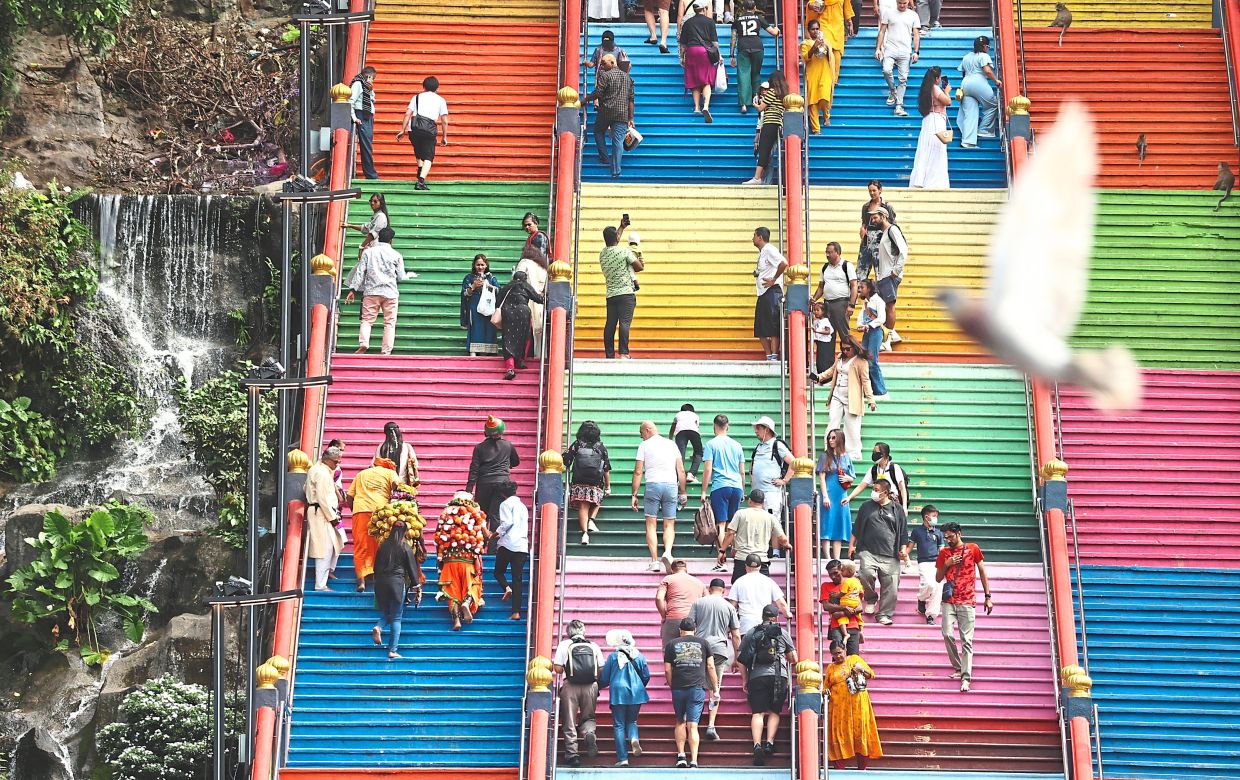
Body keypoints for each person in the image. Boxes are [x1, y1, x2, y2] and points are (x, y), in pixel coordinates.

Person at [936, 521, 993, 692]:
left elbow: (982, 571)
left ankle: (966, 677)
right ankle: (959, 666)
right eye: (945, 537)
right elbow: (938, 578)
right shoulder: (944, 553)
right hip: (949, 600)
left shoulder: (973, 548)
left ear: (959, 533)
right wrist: (947, 564)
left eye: (951, 536)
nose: (948, 540)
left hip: (968, 600)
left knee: (967, 640)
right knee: (946, 633)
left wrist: (988, 596)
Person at [737, 604, 797, 765]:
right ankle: (769, 743)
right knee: (774, 711)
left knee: (758, 713)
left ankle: (756, 745)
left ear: (762, 616)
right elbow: (794, 659)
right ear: (776, 617)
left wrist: (745, 679)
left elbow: (741, 658)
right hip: (779, 676)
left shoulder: (752, 632)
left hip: (757, 676)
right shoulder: (782, 633)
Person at [849, 477, 909, 625]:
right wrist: (852, 545)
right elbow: (857, 527)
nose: (873, 493)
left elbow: (903, 532)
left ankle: (884, 614)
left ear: (886, 493)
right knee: (865, 573)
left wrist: (903, 550)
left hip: (890, 553)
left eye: (876, 491)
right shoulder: (866, 506)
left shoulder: (897, 509)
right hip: (868, 550)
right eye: (873, 489)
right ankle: (871, 598)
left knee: (891, 585)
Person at [688, 577, 742, 741]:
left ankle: (693, 724)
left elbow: (689, 626)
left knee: (695, 684)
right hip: (719, 649)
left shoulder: (698, 603)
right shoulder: (729, 607)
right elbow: (736, 635)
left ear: (709, 588)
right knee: (715, 687)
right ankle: (711, 725)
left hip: (699, 647)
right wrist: (737, 658)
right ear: (723, 591)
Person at [344, 227, 412, 356]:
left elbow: (360, 272)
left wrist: (353, 289)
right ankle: (386, 351)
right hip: (390, 293)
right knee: (389, 323)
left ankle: (363, 343)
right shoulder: (396, 255)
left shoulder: (368, 253)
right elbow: (401, 277)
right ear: (391, 240)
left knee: (367, 320)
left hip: (371, 291)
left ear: (378, 238)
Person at [631, 420, 688, 572]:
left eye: (641, 433)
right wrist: (683, 492)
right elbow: (681, 470)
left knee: (651, 524)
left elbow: (638, 471)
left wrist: (634, 494)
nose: (641, 437)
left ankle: (655, 561)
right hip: (670, 486)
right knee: (669, 524)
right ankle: (668, 553)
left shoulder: (644, 445)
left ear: (648, 430)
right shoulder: (671, 444)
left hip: (653, 485)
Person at [663, 617, 719, 769]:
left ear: (680, 630)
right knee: (693, 726)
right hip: (697, 688)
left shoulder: (671, 644)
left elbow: (668, 669)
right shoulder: (704, 643)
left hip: (678, 688)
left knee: (680, 721)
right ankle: (694, 760)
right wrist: (715, 688)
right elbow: (711, 667)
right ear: (694, 630)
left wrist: (671, 684)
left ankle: (681, 756)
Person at [554, 620, 606, 767]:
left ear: (568, 632)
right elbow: (601, 668)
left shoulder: (564, 645)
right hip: (590, 686)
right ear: (583, 631)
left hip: (570, 686)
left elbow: (557, 668)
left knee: (569, 720)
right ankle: (589, 733)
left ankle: (572, 755)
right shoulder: (593, 646)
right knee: (588, 716)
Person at [814, 337, 875, 461]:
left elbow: (866, 381)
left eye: (848, 349)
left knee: (852, 426)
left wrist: (871, 399)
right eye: (843, 348)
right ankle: (829, 449)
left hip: (851, 398)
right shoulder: (841, 357)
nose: (845, 351)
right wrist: (819, 377)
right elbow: (832, 371)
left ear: (854, 348)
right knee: (832, 422)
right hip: (837, 394)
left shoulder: (861, 361)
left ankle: (853, 452)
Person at [825, 641, 882, 769]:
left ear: (845, 650)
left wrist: (861, 669)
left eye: (839, 653)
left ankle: (862, 769)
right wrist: (825, 691)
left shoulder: (855, 659)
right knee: (839, 735)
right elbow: (825, 686)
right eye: (835, 654)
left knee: (860, 732)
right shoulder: (830, 667)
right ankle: (839, 770)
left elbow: (871, 675)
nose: (838, 656)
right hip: (838, 708)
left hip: (858, 705)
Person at [436, 492, 489, 630]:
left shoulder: (446, 513)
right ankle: (467, 602)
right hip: (468, 559)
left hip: (450, 559)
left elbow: (438, 539)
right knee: (473, 584)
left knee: (453, 592)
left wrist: (440, 560)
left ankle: (457, 621)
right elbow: (483, 535)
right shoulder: (475, 513)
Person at [346, 456, 400, 591]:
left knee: (360, 545)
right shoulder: (390, 473)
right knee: (379, 543)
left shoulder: (361, 474)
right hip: (380, 511)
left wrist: (354, 510)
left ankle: (361, 581)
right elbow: (398, 487)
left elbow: (349, 496)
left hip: (360, 510)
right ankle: (377, 574)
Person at [599, 629, 651, 767]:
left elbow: (604, 678)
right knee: (632, 721)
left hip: (618, 692)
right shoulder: (639, 656)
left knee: (619, 724)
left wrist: (596, 686)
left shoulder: (613, 657)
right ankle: (634, 738)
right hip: (636, 692)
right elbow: (646, 676)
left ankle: (623, 759)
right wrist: (639, 686)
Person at [371, 520, 420, 659]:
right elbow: (411, 568)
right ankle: (392, 650)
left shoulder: (383, 546)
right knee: (396, 617)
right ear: (405, 532)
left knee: (388, 612)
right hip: (397, 583)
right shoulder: (405, 547)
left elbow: (375, 567)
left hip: (380, 583)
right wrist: (417, 585)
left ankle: (378, 627)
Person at [701, 414, 747, 560]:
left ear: (714, 426)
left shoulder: (711, 444)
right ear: (728, 426)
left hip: (720, 486)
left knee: (721, 525)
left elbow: (708, 469)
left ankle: (722, 560)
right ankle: (735, 556)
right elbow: (742, 471)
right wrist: (743, 490)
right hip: (736, 487)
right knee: (731, 525)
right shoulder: (737, 445)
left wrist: (703, 491)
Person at [718, 490, 790, 583]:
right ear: (763, 502)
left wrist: (722, 550)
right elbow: (782, 538)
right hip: (762, 560)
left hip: (742, 559)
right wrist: (787, 545)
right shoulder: (770, 517)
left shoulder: (740, 513)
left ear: (750, 501)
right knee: (763, 590)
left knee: (739, 589)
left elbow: (730, 532)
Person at [466, 415, 521, 531]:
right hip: (502, 484)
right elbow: (516, 462)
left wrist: (469, 490)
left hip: (483, 485)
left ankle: (480, 546)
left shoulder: (479, 448)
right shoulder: (508, 445)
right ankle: (493, 548)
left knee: (481, 516)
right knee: (496, 516)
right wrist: (508, 464)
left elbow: (474, 469)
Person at [585, 54, 636, 178]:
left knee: (598, 132)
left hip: (606, 111)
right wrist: (631, 118)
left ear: (612, 63)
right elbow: (631, 100)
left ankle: (604, 157)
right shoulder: (628, 78)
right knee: (618, 140)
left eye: (604, 63)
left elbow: (597, 92)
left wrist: (584, 101)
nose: (602, 66)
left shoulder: (605, 76)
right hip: (622, 114)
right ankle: (616, 170)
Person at [598, 222, 643, 359]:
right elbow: (639, 267)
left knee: (610, 324)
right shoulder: (624, 252)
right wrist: (639, 256)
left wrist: (622, 227)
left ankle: (609, 355)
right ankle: (624, 353)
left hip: (611, 295)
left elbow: (614, 239)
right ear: (617, 238)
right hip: (625, 294)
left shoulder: (603, 254)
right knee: (624, 323)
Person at [395, 76, 448, 191]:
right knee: (429, 156)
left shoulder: (416, 97)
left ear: (424, 86)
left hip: (414, 128)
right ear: (437, 88)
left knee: (419, 151)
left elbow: (407, 114)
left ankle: (420, 168)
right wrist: (444, 136)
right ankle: (421, 181)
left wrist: (402, 130)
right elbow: (444, 120)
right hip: (429, 129)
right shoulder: (441, 100)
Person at [564, 420, 612, 546]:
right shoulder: (601, 447)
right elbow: (606, 468)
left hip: (579, 480)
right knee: (599, 498)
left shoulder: (578, 444)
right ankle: (591, 520)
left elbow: (566, 461)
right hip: (596, 482)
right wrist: (608, 486)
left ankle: (585, 534)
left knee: (583, 506)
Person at [730, 0, 780, 113]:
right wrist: (777, 30)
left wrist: (731, 55)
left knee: (743, 75)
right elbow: (773, 32)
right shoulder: (759, 18)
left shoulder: (737, 20)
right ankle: (756, 98)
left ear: (743, 8)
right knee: (756, 73)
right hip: (757, 47)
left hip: (743, 48)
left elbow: (733, 38)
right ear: (755, 7)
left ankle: (744, 104)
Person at [305, 446, 343, 591]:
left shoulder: (320, 470)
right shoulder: (321, 472)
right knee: (324, 549)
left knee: (332, 545)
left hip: (321, 511)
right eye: (335, 462)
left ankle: (323, 580)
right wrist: (332, 517)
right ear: (327, 459)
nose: (337, 464)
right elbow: (322, 498)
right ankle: (320, 585)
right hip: (321, 512)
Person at [495, 270, 546, 380]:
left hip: (508, 312)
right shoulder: (525, 285)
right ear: (525, 278)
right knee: (524, 337)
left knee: (508, 339)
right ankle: (520, 361)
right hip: (523, 312)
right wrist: (545, 294)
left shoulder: (507, 287)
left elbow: (498, 301)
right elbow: (539, 299)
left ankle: (510, 368)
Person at [810, 240, 857, 356]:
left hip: (841, 303)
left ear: (838, 252)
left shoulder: (847, 266)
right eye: (826, 252)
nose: (827, 255)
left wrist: (851, 305)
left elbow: (854, 286)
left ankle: (849, 358)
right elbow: (821, 287)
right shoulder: (825, 267)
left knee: (844, 334)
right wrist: (814, 299)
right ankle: (828, 363)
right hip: (827, 305)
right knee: (828, 334)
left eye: (830, 252)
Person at [875, 0, 920, 117]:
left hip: (905, 50)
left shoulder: (913, 15)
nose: (902, 5)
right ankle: (893, 91)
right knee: (886, 70)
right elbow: (882, 31)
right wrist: (878, 48)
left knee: (903, 79)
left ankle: (899, 105)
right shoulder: (889, 13)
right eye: (900, 3)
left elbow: (916, 34)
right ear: (896, 2)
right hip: (890, 48)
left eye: (904, 3)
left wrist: (916, 52)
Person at [909, 67, 951, 189]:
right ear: (937, 78)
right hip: (936, 121)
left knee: (925, 150)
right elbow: (948, 101)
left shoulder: (926, 89)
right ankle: (934, 181)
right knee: (937, 150)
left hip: (928, 120)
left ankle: (921, 179)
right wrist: (947, 91)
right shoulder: (935, 88)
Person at [742, 71, 788, 186]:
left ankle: (757, 177)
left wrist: (755, 104)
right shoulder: (784, 94)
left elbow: (761, 108)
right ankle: (761, 178)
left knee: (763, 150)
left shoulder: (772, 92)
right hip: (778, 124)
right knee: (768, 151)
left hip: (769, 123)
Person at [493, 480, 529, 621]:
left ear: (502, 494)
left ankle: (506, 588)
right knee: (517, 579)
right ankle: (516, 612)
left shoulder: (505, 504)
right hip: (522, 545)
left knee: (498, 571)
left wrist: (495, 534)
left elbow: (507, 523)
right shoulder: (522, 506)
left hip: (508, 543)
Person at [817, 428, 856, 559]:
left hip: (841, 494)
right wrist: (825, 496)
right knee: (827, 523)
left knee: (839, 524)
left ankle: (837, 559)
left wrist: (848, 478)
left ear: (840, 439)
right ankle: (827, 558)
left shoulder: (846, 457)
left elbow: (852, 476)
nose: (830, 440)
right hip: (828, 493)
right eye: (829, 438)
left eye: (833, 438)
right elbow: (821, 477)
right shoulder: (825, 456)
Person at [957, 36, 1001, 148]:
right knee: (993, 104)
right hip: (978, 82)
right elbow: (986, 70)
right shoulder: (983, 56)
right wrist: (996, 80)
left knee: (970, 113)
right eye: (988, 47)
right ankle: (984, 130)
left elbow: (963, 71)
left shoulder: (966, 56)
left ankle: (967, 142)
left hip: (965, 83)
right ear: (985, 46)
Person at [729, 552, 790, 632]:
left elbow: (732, 607)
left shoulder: (738, 582)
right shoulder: (769, 581)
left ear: (746, 566)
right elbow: (781, 603)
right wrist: (787, 614)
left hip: (746, 625)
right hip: (765, 623)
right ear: (760, 566)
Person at [752, 227, 788, 361]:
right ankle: (768, 355)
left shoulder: (769, 249)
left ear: (760, 237)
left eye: (754, 236)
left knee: (773, 325)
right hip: (763, 293)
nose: (753, 239)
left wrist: (773, 279)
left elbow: (783, 264)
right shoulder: (762, 252)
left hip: (772, 292)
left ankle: (774, 355)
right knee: (760, 326)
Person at [870, 204, 907, 336]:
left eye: (875, 218)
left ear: (884, 216)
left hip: (890, 275)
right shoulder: (884, 234)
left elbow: (903, 250)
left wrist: (896, 270)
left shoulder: (892, 230)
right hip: (883, 276)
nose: (873, 221)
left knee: (889, 305)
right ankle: (889, 334)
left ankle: (889, 336)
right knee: (883, 306)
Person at [680, 0, 719, 122]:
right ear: (705, 9)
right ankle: (706, 106)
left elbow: (682, 43)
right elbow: (714, 43)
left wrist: (682, 57)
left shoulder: (688, 23)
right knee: (706, 80)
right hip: (705, 52)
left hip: (691, 51)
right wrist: (719, 55)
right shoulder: (710, 22)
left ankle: (696, 107)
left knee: (694, 79)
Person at [518, 213, 550, 357]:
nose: (527, 227)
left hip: (537, 280)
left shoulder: (539, 237)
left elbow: (541, 258)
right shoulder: (531, 238)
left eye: (529, 224)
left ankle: (537, 353)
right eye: (525, 225)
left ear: (536, 223)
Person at [907, 504, 945, 624]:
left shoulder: (938, 533)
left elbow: (942, 550)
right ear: (926, 517)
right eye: (934, 516)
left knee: (938, 588)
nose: (936, 519)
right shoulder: (917, 531)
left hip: (937, 563)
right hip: (923, 562)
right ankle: (921, 599)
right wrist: (903, 553)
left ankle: (931, 616)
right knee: (929, 584)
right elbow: (909, 548)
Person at [845, 441, 909, 511]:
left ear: (884, 454)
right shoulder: (874, 469)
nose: (874, 454)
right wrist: (849, 498)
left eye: (876, 452)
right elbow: (861, 486)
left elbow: (902, 488)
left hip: (892, 504)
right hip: (878, 503)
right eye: (873, 452)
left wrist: (904, 507)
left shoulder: (894, 468)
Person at [750, 416, 794, 515]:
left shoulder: (777, 445)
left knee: (771, 522)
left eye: (758, 428)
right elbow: (752, 465)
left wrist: (784, 480)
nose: (756, 431)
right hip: (756, 493)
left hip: (771, 494)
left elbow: (793, 463)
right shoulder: (758, 447)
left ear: (766, 429)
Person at [656, 559, 708, 644]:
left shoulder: (668, 579)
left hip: (673, 618)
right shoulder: (699, 582)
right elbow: (707, 601)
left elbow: (659, 598)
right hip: (692, 621)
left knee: (669, 650)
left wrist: (663, 616)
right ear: (686, 570)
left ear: (672, 570)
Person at [853, 278, 888, 398]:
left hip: (876, 332)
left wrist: (869, 325)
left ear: (869, 289)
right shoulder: (866, 303)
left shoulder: (878, 301)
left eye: (862, 287)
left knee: (872, 360)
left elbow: (882, 319)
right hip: (867, 333)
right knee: (864, 360)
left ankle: (880, 390)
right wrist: (860, 326)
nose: (859, 290)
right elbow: (860, 318)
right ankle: (869, 390)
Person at [819, 559, 863, 654]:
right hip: (836, 626)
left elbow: (860, 607)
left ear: (842, 570)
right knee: (838, 656)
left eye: (835, 573)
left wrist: (841, 613)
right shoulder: (826, 586)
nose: (833, 576)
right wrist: (844, 608)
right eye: (830, 574)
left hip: (853, 625)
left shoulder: (852, 583)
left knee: (853, 657)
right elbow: (826, 606)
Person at [460, 254, 500, 356]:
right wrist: (473, 286)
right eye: (478, 265)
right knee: (475, 327)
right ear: (474, 265)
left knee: (489, 327)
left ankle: (488, 351)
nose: (480, 267)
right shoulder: (468, 278)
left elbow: (498, 291)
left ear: (486, 265)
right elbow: (464, 294)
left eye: (482, 264)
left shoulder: (492, 278)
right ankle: (474, 350)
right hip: (474, 306)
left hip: (488, 306)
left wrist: (488, 286)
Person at [801, 19, 836, 133]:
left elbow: (830, 56)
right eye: (813, 29)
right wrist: (814, 46)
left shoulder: (826, 42)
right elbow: (806, 57)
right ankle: (816, 129)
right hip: (812, 75)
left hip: (825, 73)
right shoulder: (805, 43)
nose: (815, 31)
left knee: (825, 97)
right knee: (813, 102)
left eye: (817, 29)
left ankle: (826, 116)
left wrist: (823, 45)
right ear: (808, 31)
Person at [856, 180, 896, 279]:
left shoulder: (887, 206)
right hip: (866, 242)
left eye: (874, 190)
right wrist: (862, 228)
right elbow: (864, 223)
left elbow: (893, 225)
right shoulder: (865, 207)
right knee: (860, 273)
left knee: (881, 273)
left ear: (880, 190)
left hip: (881, 242)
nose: (872, 193)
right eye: (870, 191)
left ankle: (881, 294)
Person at [349, 66, 379, 180]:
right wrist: (354, 117)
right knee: (366, 145)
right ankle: (371, 174)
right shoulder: (358, 84)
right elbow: (350, 101)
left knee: (368, 145)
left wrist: (371, 90)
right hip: (361, 114)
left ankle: (370, 173)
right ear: (368, 75)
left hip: (367, 115)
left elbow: (372, 100)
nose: (373, 80)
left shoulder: (366, 86)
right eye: (372, 78)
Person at [376, 421, 420, 487]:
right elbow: (415, 465)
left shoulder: (381, 447)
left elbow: (374, 466)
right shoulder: (407, 447)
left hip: (385, 486)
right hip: (403, 485)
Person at [345, 192, 388, 258]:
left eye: (375, 201)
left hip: (375, 250)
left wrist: (362, 246)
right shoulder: (376, 216)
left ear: (381, 203)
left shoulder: (381, 216)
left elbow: (373, 234)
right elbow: (365, 228)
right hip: (372, 249)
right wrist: (349, 225)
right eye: (371, 201)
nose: (372, 203)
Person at [669, 403, 703, 483]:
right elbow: (696, 429)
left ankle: (677, 478)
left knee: (680, 454)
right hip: (694, 432)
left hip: (680, 433)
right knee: (699, 453)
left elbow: (672, 428)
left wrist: (670, 439)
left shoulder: (678, 415)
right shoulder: (695, 416)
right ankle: (691, 474)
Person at [810, 300, 835, 373]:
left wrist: (817, 331)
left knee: (823, 361)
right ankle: (820, 375)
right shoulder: (816, 321)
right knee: (819, 361)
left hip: (825, 343)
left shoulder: (825, 321)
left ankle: (825, 376)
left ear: (823, 311)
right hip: (819, 343)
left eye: (818, 310)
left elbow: (828, 331)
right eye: (814, 310)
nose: (815, 312)